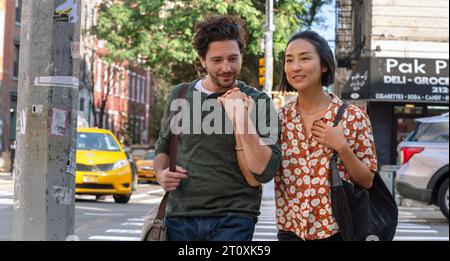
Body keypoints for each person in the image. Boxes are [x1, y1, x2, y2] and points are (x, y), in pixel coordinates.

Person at [154, 15, 281, 241]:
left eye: (233, 58)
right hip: (181, 216)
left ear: (242, 55)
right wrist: (161, 174)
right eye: (217, 60)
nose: (226, 67)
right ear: (202, 60)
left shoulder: (258, 101)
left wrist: (242, 120)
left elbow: (267, 170)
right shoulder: (180, 94)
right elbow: (163, 146)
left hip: (235, 217)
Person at [276, 31, 378, 241]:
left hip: (336, 230)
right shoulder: (280, 119)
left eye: (305, 58)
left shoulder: (352, 117)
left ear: (324, 64)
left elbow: (367, 181)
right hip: (290, 230)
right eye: (289, 60)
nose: (295, 67)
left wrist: (342, 147)